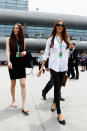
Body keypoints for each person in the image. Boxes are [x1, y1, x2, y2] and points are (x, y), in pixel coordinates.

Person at [37, 19, 70, 125]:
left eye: (62, 25)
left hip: (63, 67)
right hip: (54, 67)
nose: (60, 26)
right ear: (55, 26)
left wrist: (67, 67)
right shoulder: (50, 39)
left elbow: (66, 54)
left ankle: (54, 103)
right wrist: (42, 66)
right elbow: (46, 54)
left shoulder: (66, 39)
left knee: (59, 87)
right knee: (56, 87)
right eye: (58, 25)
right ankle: (59, 113)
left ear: (64, 27)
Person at [6, 23, 29, 114]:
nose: (15, 29)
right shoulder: (9, 39)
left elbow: (24, 51)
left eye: (17, 28)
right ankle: (13, 100)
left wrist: (25, 52)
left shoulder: (23, 40)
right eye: (14, 28)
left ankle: (24, 105)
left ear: (20, 30)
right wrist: (8, 61)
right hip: (13, 62)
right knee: (13, 84)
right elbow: (8, 51)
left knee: (23, 84)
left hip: (21, 63)